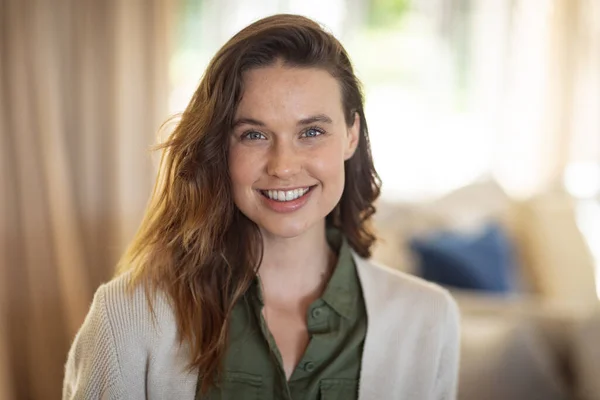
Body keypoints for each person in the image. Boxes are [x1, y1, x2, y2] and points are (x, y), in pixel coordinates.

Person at [63, 14, 460, 400]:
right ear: (221, 147)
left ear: (351, 135)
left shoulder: (429, 320)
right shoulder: (127, 318)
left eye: (312, 132)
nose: (283, 166)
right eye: (253, 134)